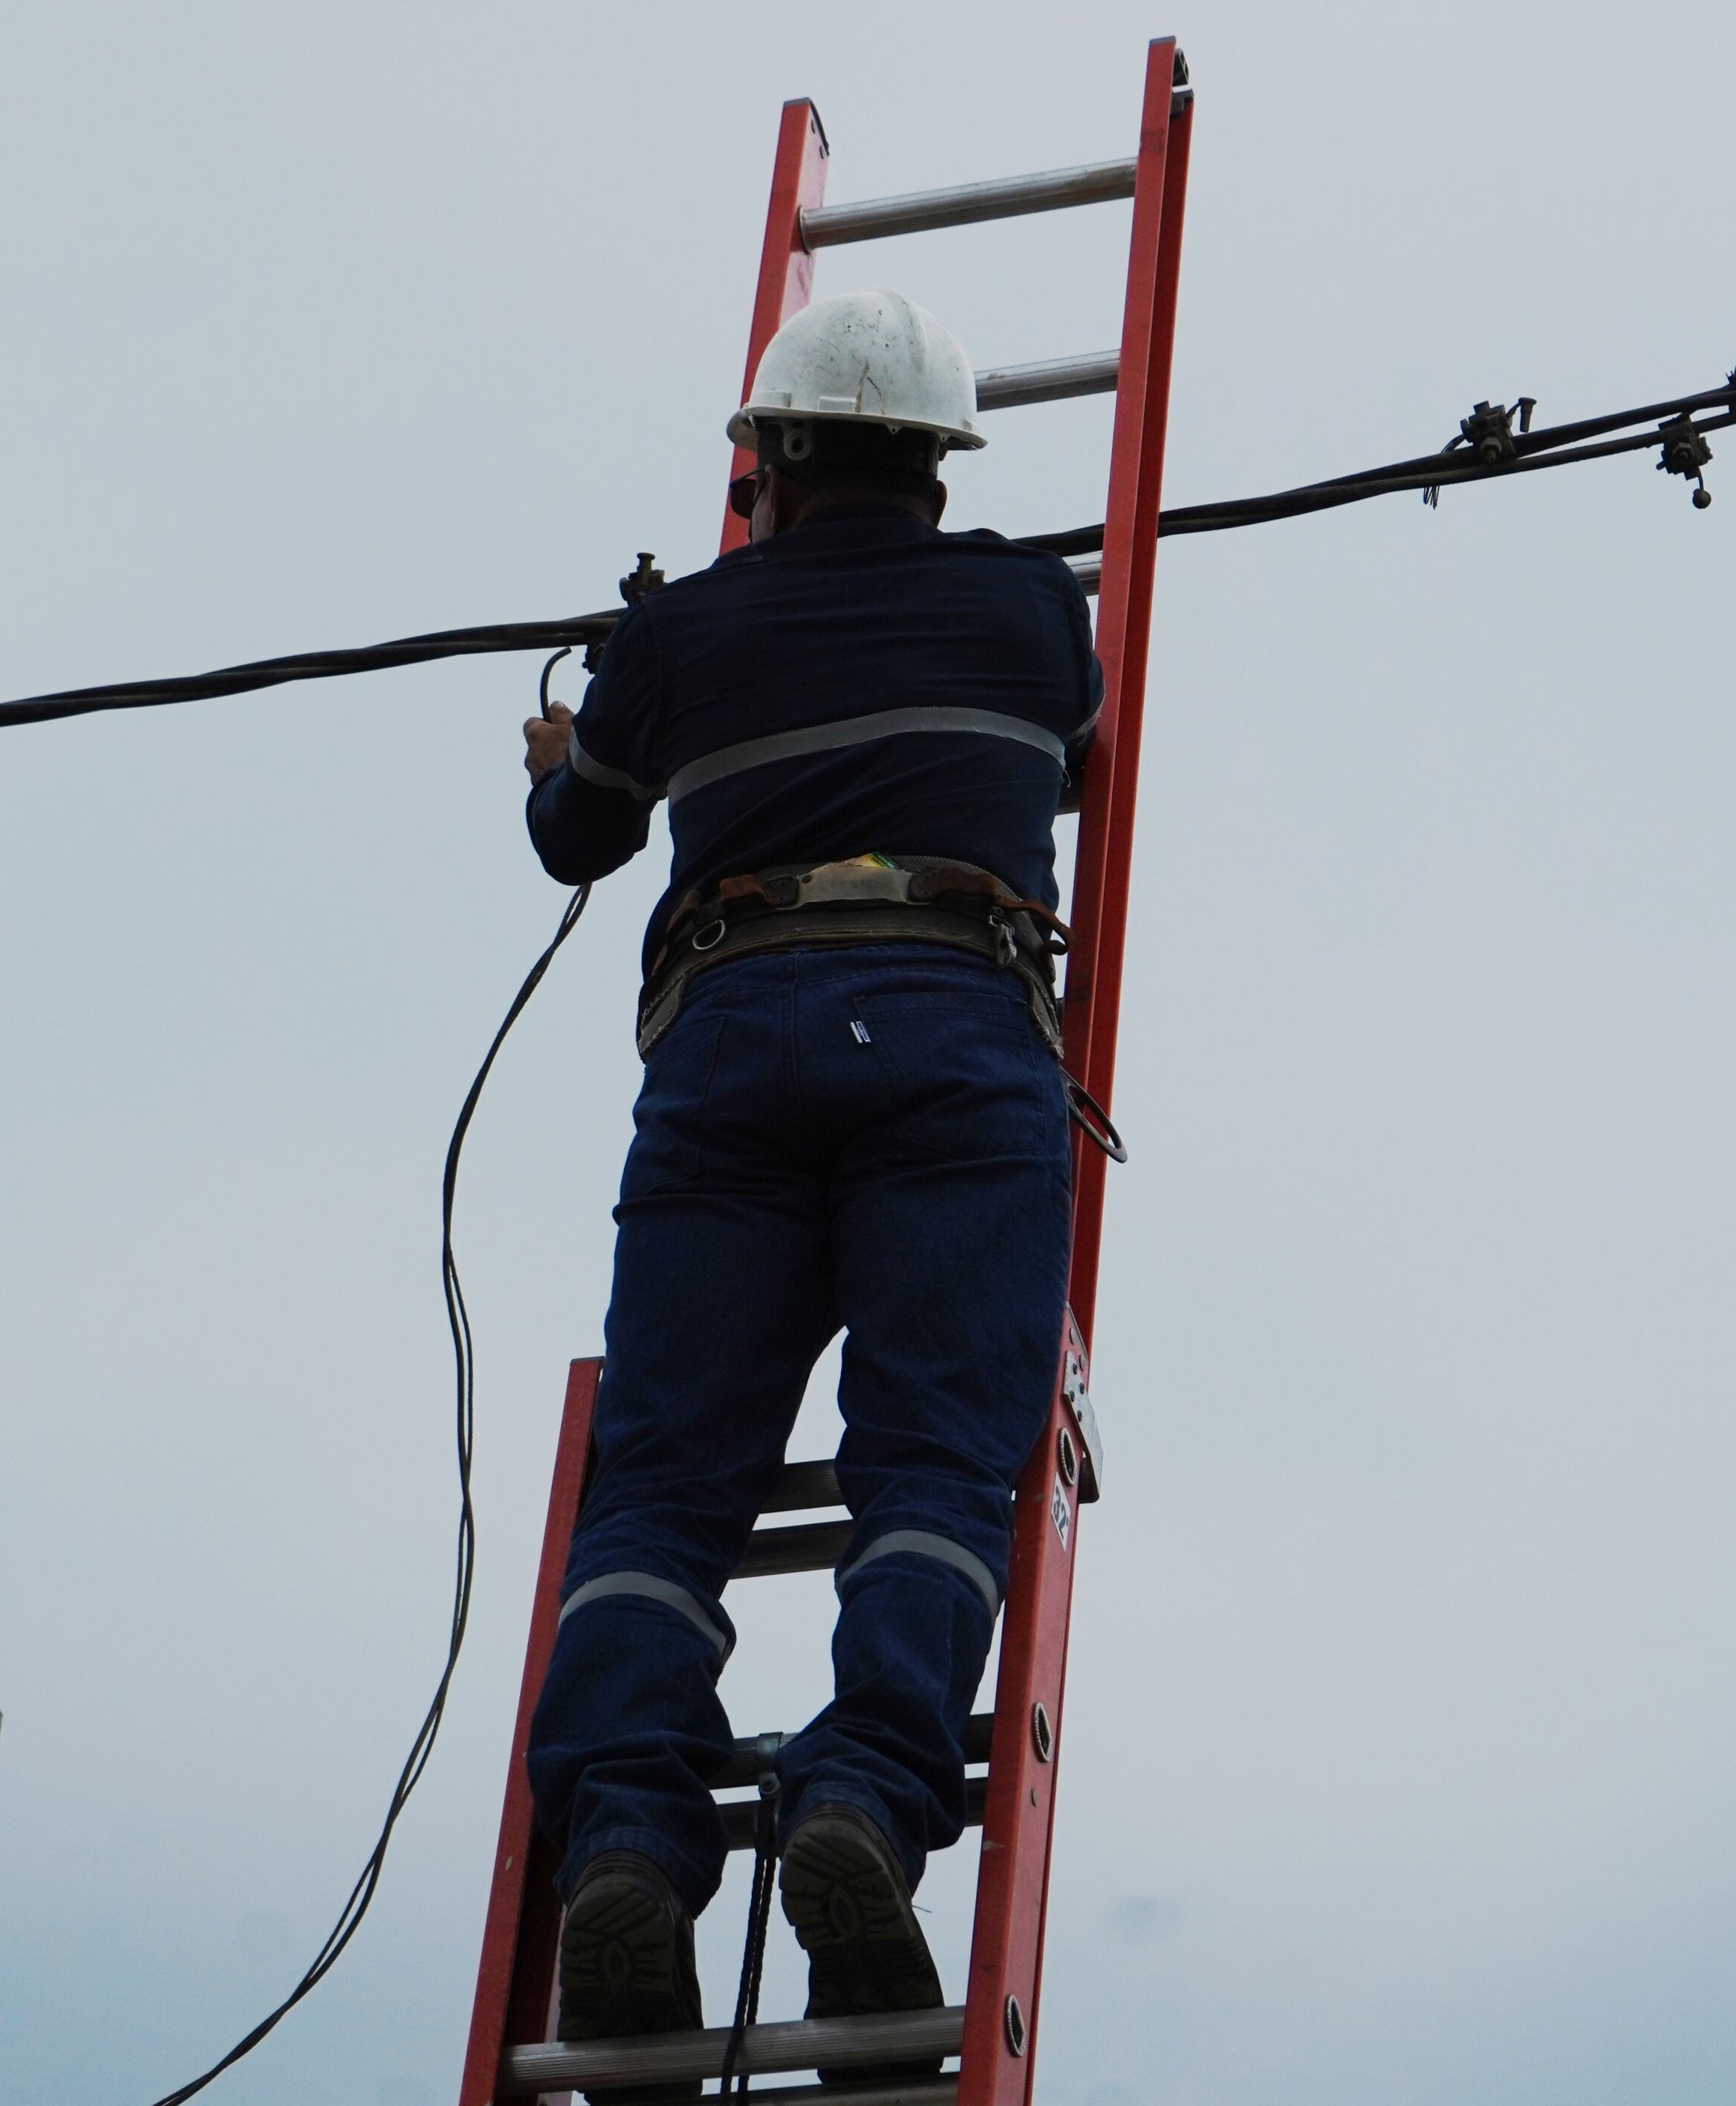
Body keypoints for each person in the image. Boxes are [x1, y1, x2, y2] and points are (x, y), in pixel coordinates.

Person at [516, 286, 1099, 2083]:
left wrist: (575, 744)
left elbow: (576, 838)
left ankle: (623, 1832)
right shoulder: (1030, 605)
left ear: (755, 458)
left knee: (668, 1482)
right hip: (953, 1032)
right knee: (931, 1457)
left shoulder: (679, 637)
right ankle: (861, 1788)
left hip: (732, 1049)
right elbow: (1073, 752)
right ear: (940, 464)